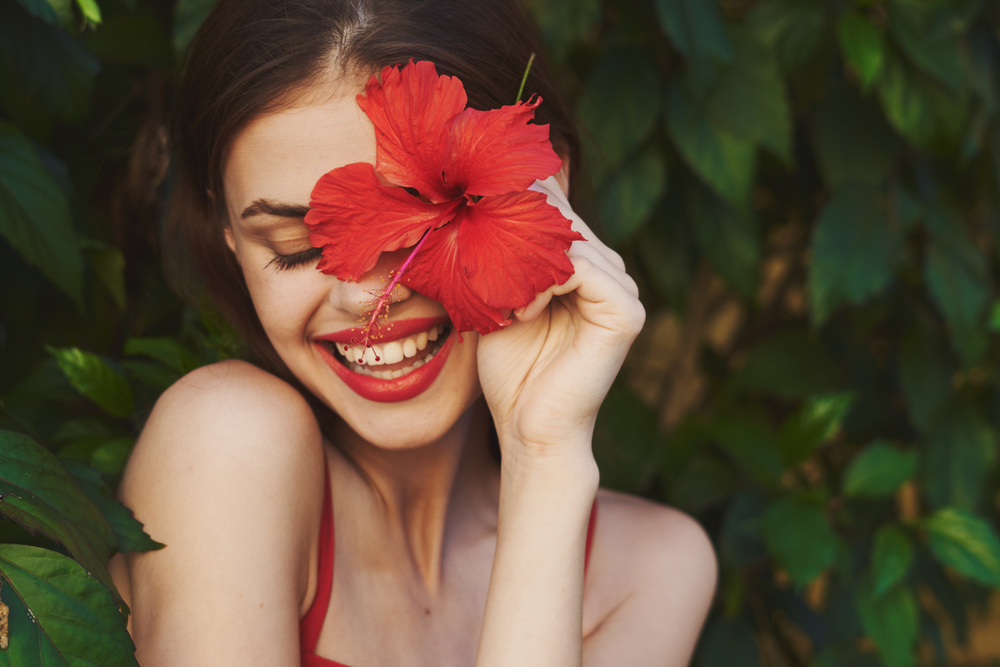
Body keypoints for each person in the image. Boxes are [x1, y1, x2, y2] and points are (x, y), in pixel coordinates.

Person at [107, 0, 717, 665]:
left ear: (544, 183)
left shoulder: (653, 571)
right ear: (227, 236)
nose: (368, 296)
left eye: (422, 227)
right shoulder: (225, 442)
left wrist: (542, 456)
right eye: (295, 246)